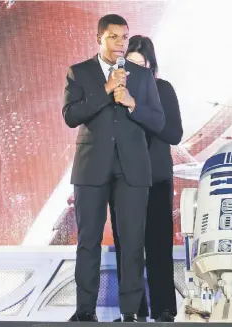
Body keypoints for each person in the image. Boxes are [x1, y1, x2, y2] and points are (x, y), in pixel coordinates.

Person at [63, 15, 165, 322]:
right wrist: (106, 89)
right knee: (88, 241)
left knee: (133, 241)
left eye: (124, 37)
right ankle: (84, 311)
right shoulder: (79, 72)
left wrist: (133, 103)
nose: (120, 44)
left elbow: (158, 122)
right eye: (114, 37)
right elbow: (71, 115)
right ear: (99, 38)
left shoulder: (142, 77)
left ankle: (130, 312)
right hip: (91, 167)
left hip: (132, 169)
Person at [110, 35, 183, 322]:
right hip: (123, 179)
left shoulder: (162, 89)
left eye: (141, 64)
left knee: (158, 246)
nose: (135, 70)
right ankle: (132, 311)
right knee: (127, 249)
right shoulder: (114, 91)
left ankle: (164, 308)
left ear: (152, 66)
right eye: (131, 64)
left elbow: (173, 133)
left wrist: (137, 109)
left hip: (155, 178)